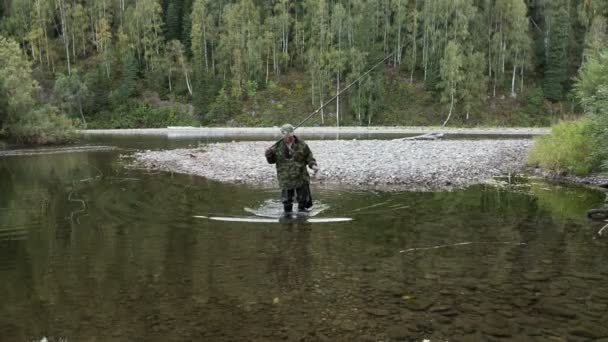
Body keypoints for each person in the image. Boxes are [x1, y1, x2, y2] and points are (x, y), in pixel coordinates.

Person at [265, 124, 319, 214]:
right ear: (282, 134)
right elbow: (271, 161)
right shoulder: (276, 146)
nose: (286, 136)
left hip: (301, 176)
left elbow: (309, 158)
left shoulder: (302, 144)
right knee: (286, 202)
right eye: (284, 134)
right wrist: (268, 155)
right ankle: (287, 221)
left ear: (292, 134)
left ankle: (302, 219)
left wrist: (313, 166)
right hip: (285, 178)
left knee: (303, 200)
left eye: (288, 134)